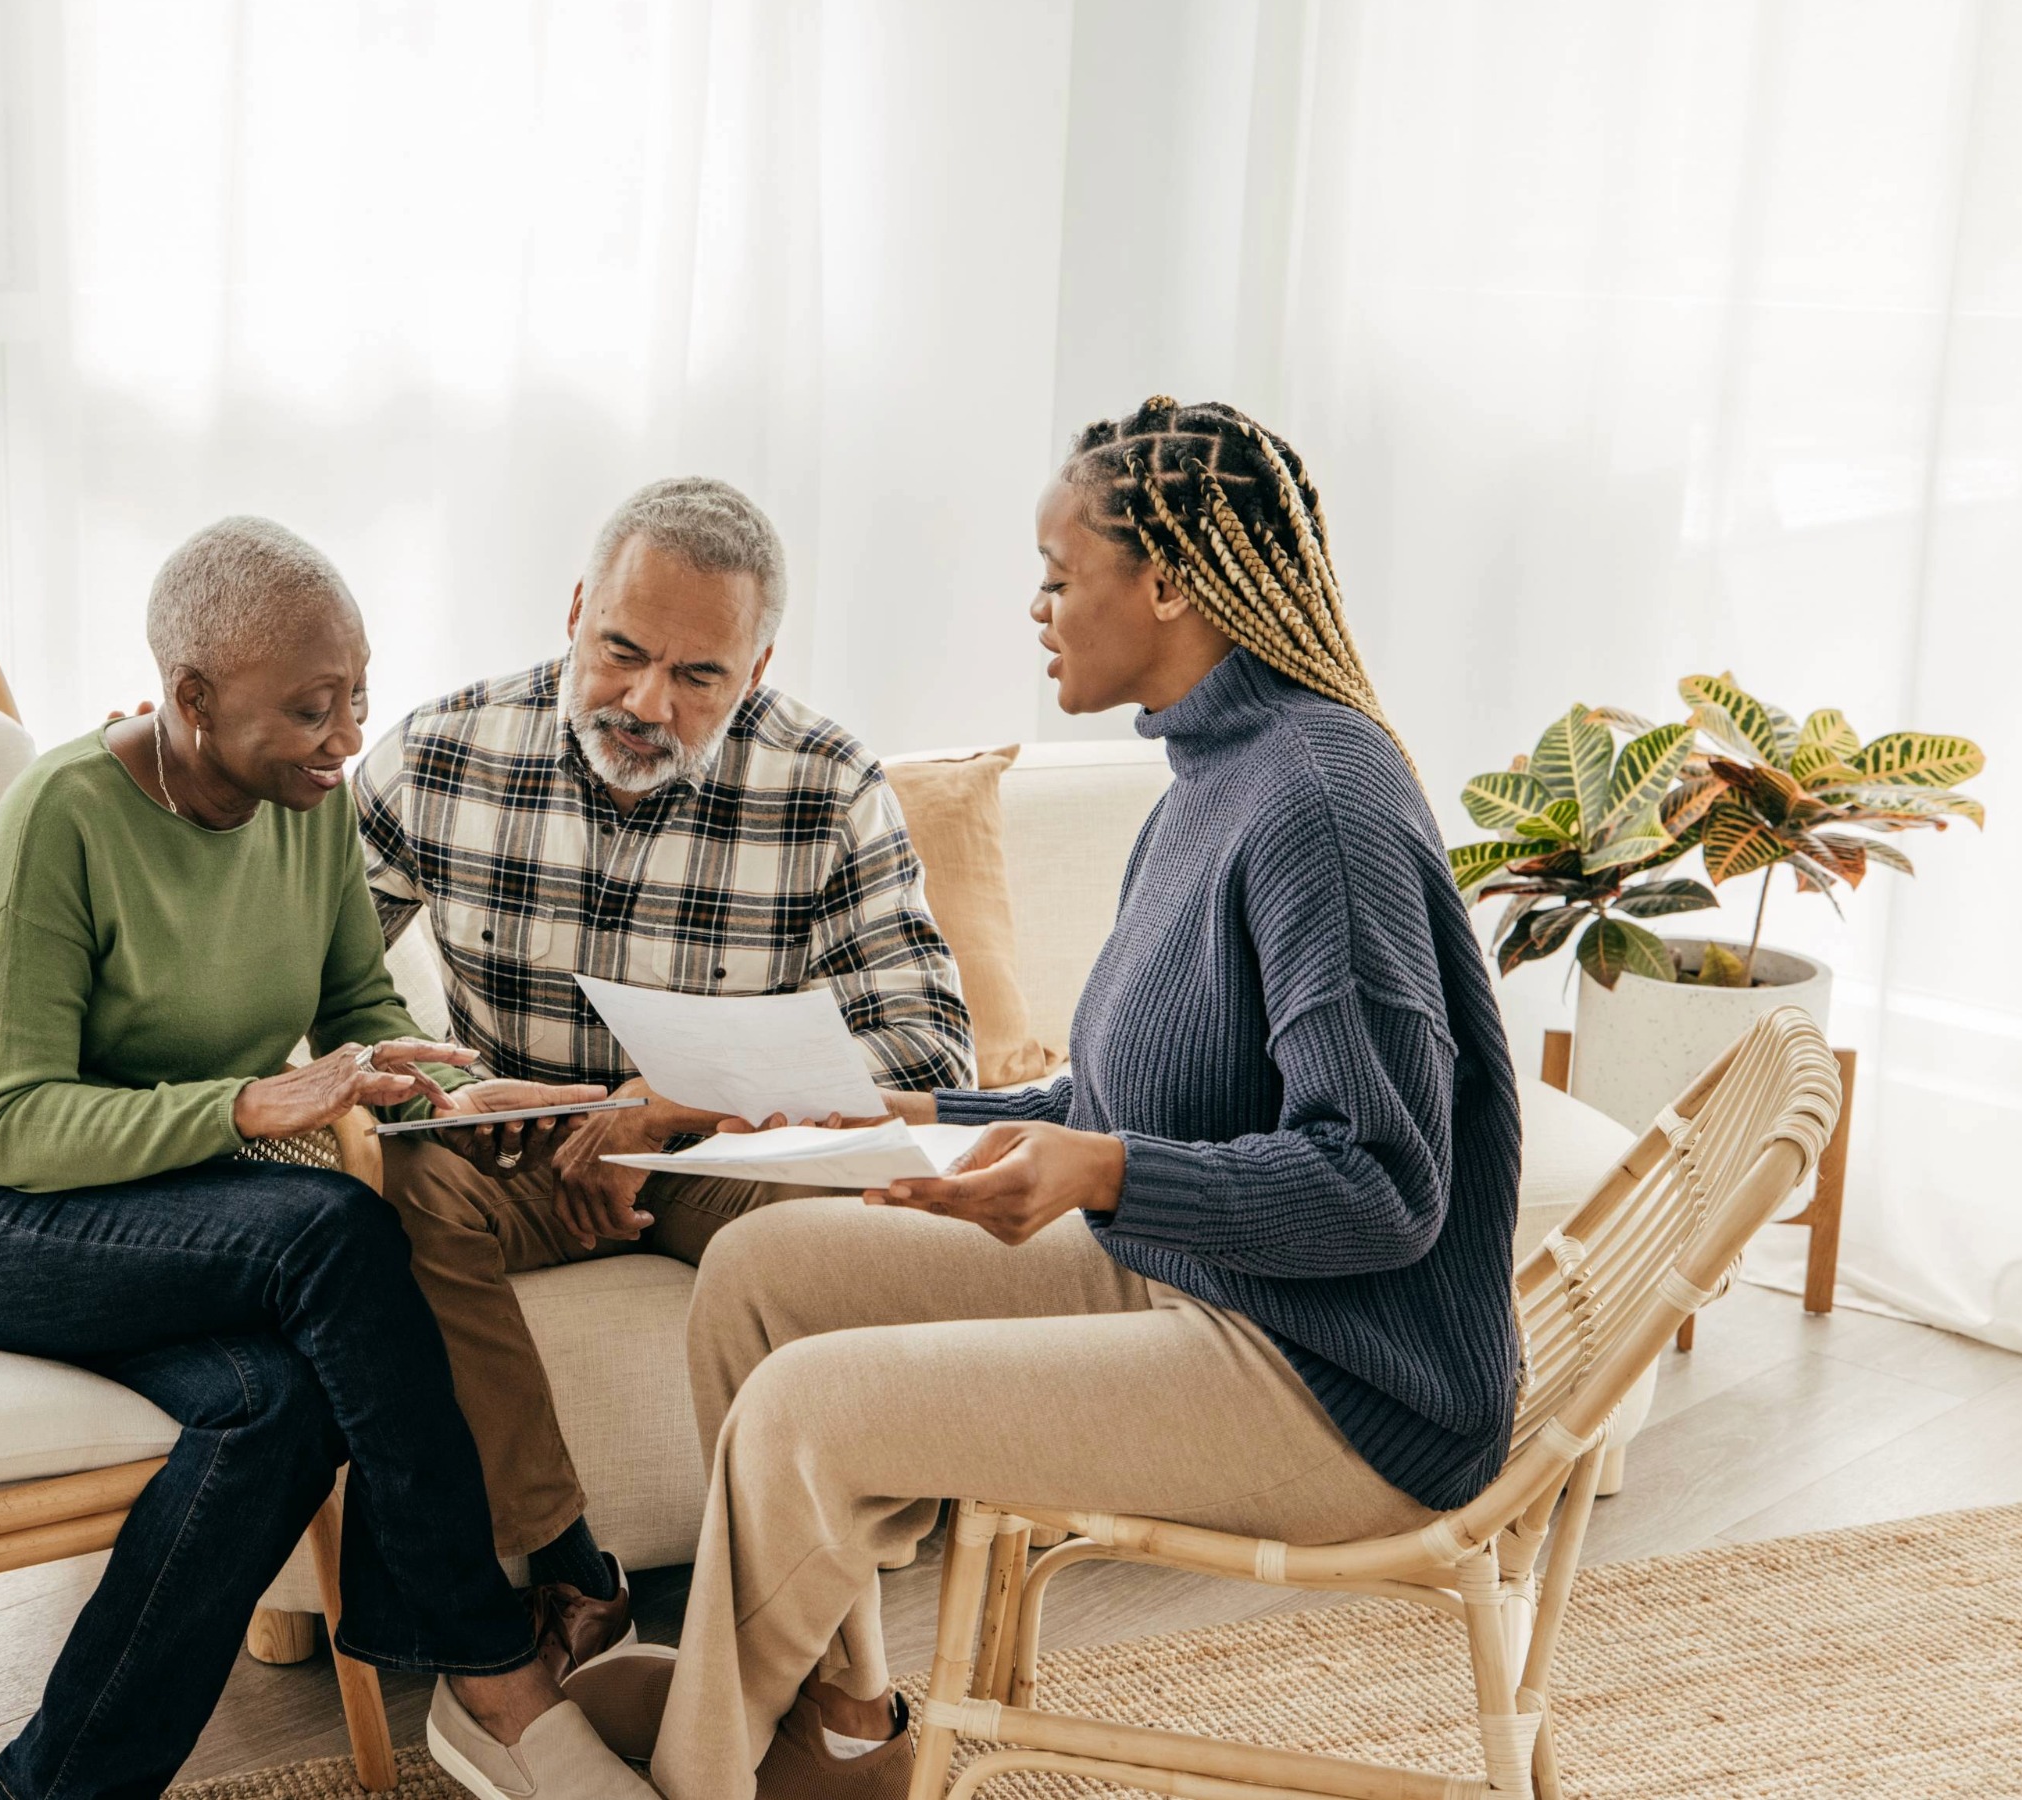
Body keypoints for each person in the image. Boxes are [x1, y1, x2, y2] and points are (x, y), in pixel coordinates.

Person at [575, 401, 1524, 1800]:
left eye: (1056, 573)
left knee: (809, 1411)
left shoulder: (1317, 803)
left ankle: (698, 1774)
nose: (1036, 607)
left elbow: (1384, 1189)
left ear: (1166, 584)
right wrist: (899, 1116)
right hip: (1206, 1282)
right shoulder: (1211, 777)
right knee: (760, 1277)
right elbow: (1130, 1089)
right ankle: (839, 1729)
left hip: (1337, 1380)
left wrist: (1101, 1176)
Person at [0, 518, 662, 1800]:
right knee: (326, 1229)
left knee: (274, 1408)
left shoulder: (306, 813)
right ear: (188, 699)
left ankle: (55, 1788)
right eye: (308, 709)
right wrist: (246, 1106)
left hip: (151, 1217)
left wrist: (456, 1083)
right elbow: (8, 1126)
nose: (347, 738)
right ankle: (490, 1666)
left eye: (354, 695)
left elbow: (361, 1015)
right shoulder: (55, 826)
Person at [352, 477, 975, 1675]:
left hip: (722, 1152)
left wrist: (672, 1110)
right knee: (395, 1191)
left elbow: (925, 1052)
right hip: (509, 1146)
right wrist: (450, 1091)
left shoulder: (827, 783)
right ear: (577, 609)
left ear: (756, 665)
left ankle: (807, 1621)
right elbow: (315, 988)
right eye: (620, 653)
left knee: (856, 1215)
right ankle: (566, 1570)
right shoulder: (438, 754)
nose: (645, 703)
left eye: (698, 678)